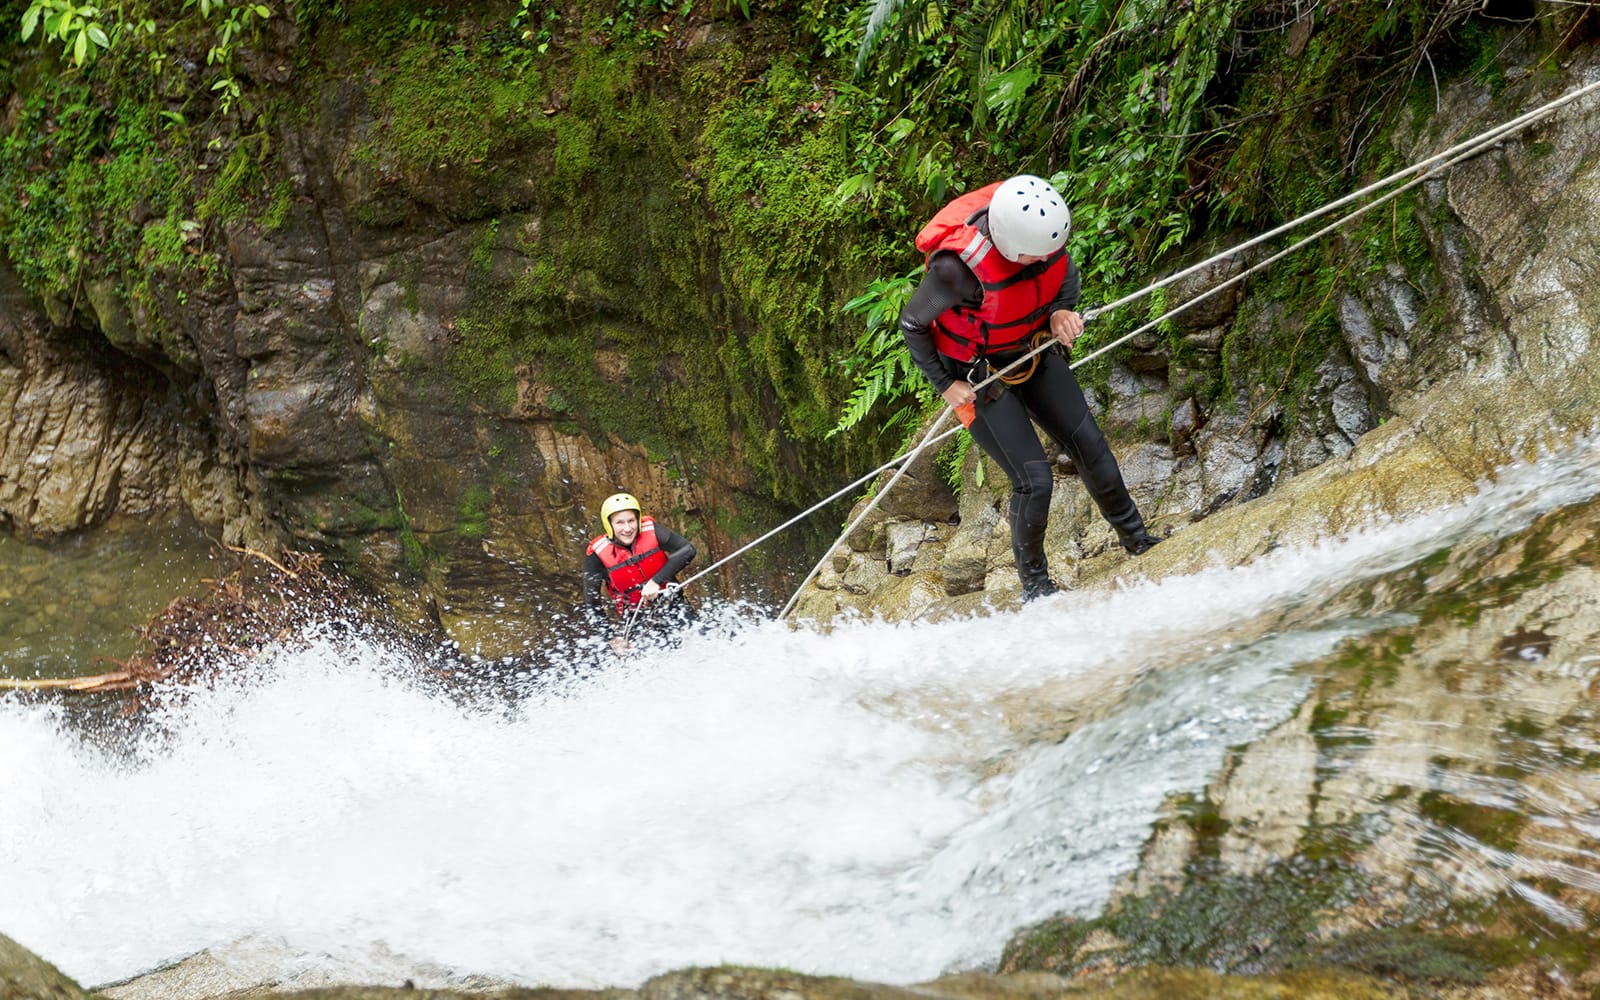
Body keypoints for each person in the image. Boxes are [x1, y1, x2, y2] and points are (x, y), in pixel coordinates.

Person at [897, 174, 1160, 601]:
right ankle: (1036, 589)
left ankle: (1137, 540)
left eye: (1047, 253)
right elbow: (913, 324)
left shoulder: (1045, 242)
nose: (1042, 261)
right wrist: (945, 384)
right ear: (1006, 242)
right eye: (1033, 256)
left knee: (1090, 444)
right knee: (1034, 481)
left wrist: (1060, 312)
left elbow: (1065, 277)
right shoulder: (954, 270)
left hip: (1031, 351)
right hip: (979, 377)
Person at [582, 491, 697, 651]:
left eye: (631, 521)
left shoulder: (653, 531)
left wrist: (655, 581)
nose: (627, 528)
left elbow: (687, 550)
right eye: (620, 523)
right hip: (637, 620)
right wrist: (610, 638)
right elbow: (592, 604)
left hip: (672, 605)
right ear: (609, 524)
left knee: (700, 642)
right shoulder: (596, 556)